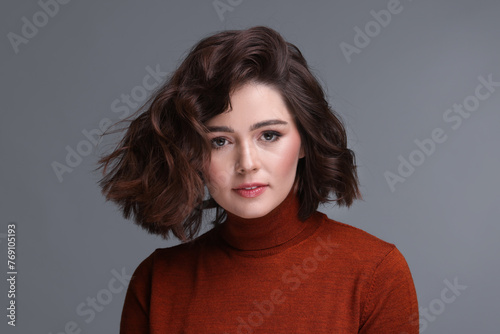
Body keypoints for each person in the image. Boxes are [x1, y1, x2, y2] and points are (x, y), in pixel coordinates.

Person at [97, 26, 419, 333]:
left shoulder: (376, 274)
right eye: (219, 141)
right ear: (192, 152)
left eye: (268, 135)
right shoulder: (156, 284)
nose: (247, 164)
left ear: (305, 140)